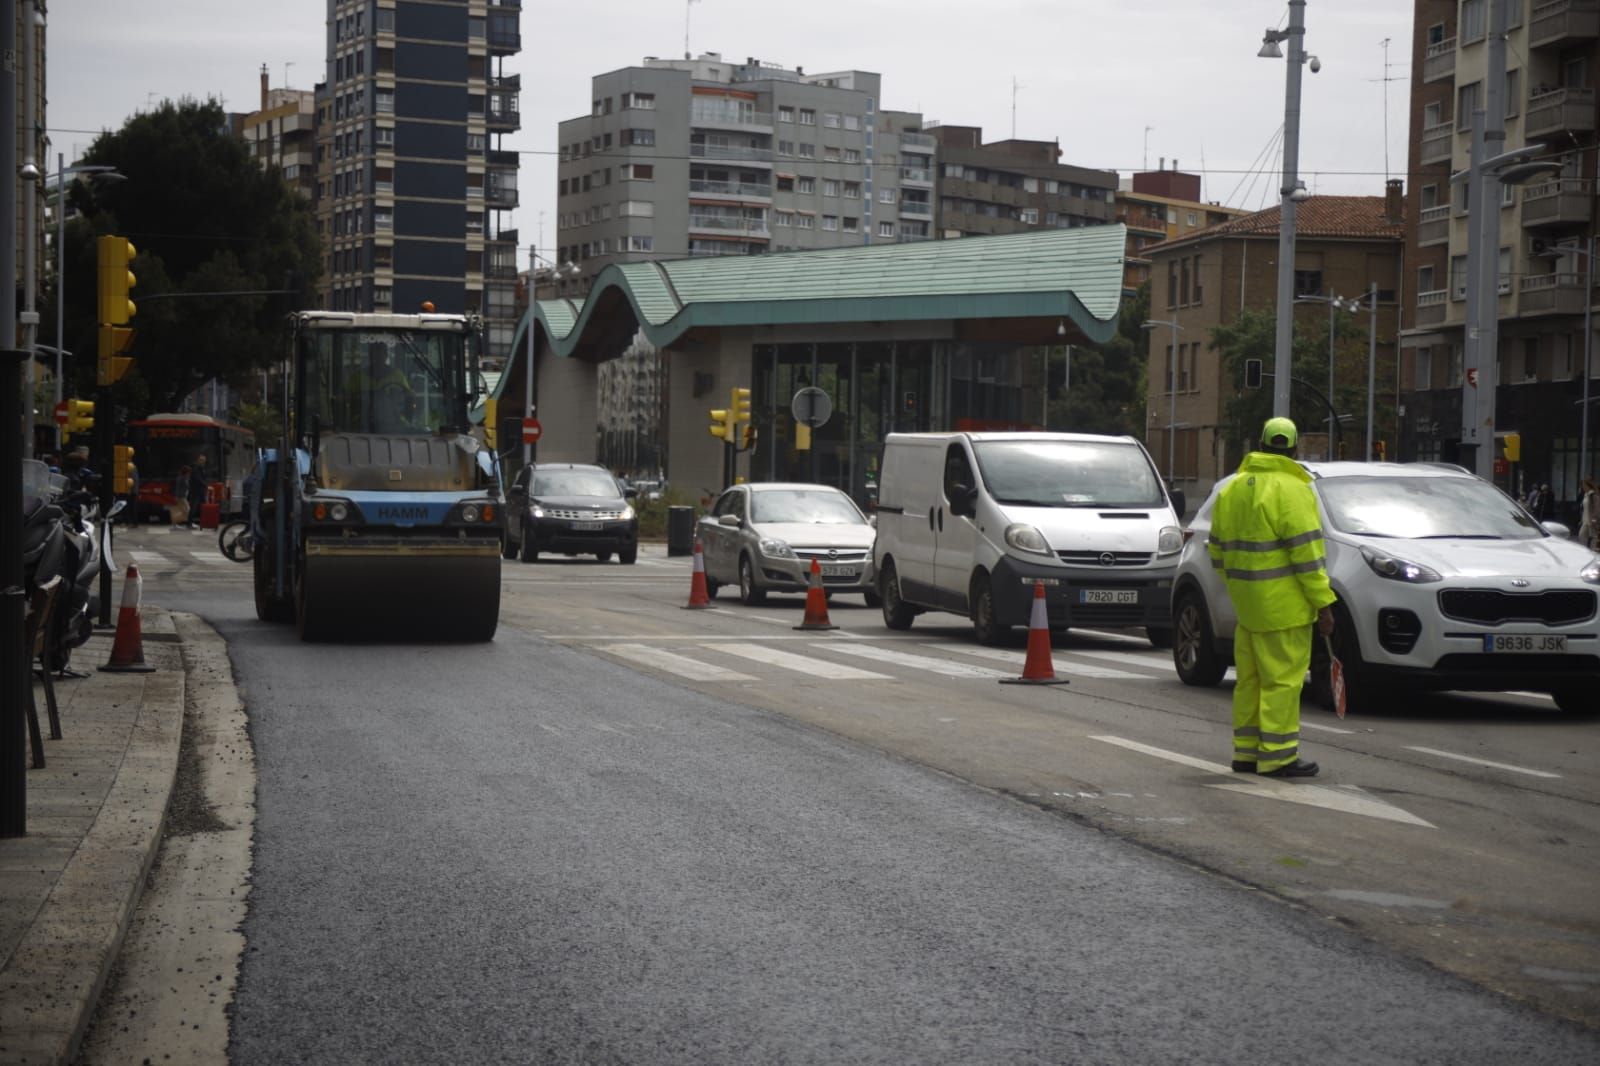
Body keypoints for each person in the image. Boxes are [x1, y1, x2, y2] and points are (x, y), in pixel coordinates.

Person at [1208, 417, 1338, 778]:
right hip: (1284, 608)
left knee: (1250, 681)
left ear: (1261, 445)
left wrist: (1242, 586)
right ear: (1294, 450)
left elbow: (1216, 551)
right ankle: (1278, 757)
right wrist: (1323, 604)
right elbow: (1308, 557)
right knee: (1282, 682)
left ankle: (1246, 753)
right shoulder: (1294, 490)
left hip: (1247, 607)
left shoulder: (1232, 489)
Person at [187, 454, 211, 527]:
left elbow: (202, 478)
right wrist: (206, 486)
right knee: (193, 507)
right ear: (198, 460)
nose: (202, 461)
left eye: (204, 460)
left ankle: (204, 522)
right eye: (201, 460)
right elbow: (198, 479)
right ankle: (189, 523)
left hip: (201, 491)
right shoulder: (196, 468)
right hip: (195, 491)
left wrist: (205, 486)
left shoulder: (202, 468)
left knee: (203, 507)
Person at [1580, 477, 1600, 551]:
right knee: (1581, 536)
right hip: (1585, 520)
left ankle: (1592, 552)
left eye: (1584, 485)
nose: (1583, 487)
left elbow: (1597, 508)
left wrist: (1594, 518)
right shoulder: (1586, 495)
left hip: (1592, 521)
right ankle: (1587, 550)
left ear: (1588, 485)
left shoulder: (1593, 495)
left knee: (1593, 537)